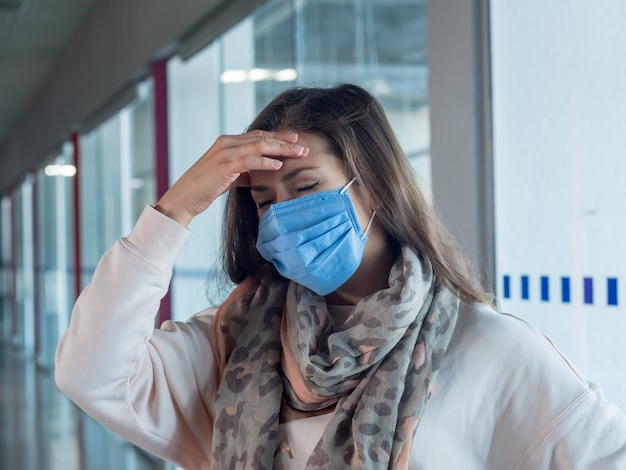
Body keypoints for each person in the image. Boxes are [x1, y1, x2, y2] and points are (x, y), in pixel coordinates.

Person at [55, 84, 626, 470]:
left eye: (305, 188)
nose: (280, 214)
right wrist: (174, 211)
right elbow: (91, 372)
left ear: (374, 184)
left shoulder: (487, 347)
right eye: (262, 199)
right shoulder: (234, 344)